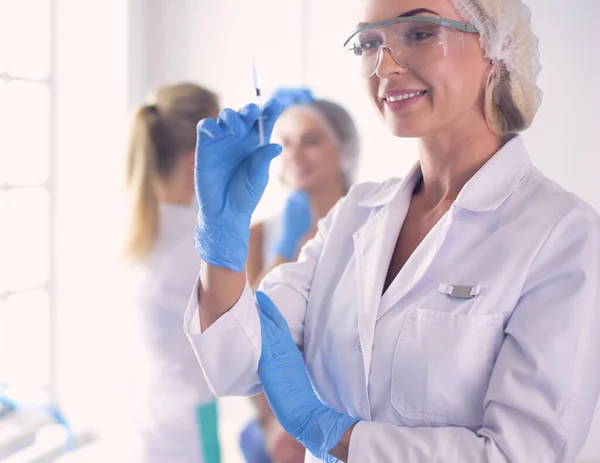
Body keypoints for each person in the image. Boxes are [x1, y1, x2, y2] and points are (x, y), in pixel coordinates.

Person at [185, 0, 600, 461]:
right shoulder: (355, 213)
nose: (384, 64)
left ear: (496, 48)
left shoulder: (563, 234)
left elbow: (523, 453)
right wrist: (220, 242)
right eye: (369, 43)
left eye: (419, 33)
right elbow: (236, 363)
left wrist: (331, 433)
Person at [243, 89, 360, 462]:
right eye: (286, 142)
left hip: (356, 417)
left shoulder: (374, 227)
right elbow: (248, 334)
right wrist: (273, 422)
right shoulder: (259, 235)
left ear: (344, 147)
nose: (294, 155)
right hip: (278, 423)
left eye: (310, 141)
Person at [123, 82, 222, 463]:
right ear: (195, 156)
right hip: (189, 424)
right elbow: (240, 336)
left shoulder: (142, 227)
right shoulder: (194, 244)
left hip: (152, 416)